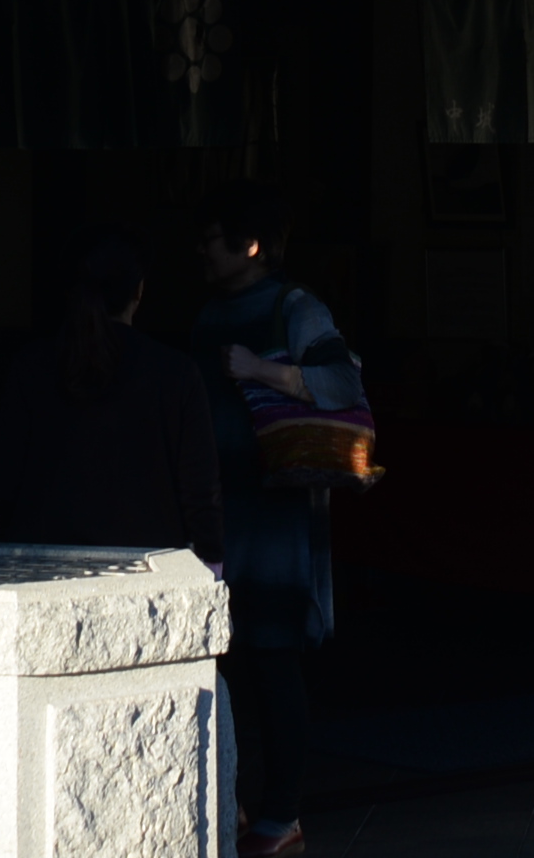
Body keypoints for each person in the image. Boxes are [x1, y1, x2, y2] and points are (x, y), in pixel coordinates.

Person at [192, 185, 359, 858]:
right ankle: (225, 798)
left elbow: (343, 383)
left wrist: (261, 369)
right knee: (217, 659)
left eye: (212, 238)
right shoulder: (206, 314)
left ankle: (280, 810)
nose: (201, 250)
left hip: (274, 510)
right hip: (215, 506)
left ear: (249, 246)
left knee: (272, 657)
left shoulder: (296, 307)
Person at [0, 234, 223, 557]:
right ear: (138, 291)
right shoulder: (176, 373)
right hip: (147, 574)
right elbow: (200, 493)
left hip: (40, 569)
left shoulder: (34, 365)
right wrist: (211, 559)